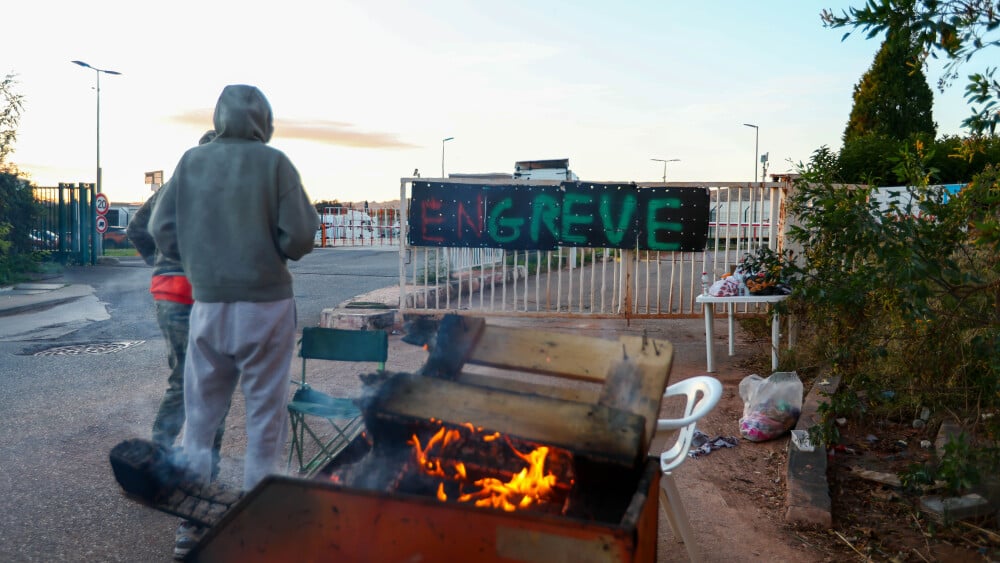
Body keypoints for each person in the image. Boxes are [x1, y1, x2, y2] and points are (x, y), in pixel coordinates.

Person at [149, 84, 319, 559]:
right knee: (265, 416)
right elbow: (301, 236)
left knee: (201, 417)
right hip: (266, 307)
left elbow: (162, 229)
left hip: (207, 305)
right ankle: (258, 526)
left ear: (219, 118)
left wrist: (199, 259)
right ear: (263, 120)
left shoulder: (191, 162)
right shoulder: (275, 163)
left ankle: (191, 522)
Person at [126, 130, 230, 481]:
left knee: (183, 379)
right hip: (208, 298)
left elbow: (136, 229)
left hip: (170, 294)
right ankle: (204, 471)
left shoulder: (170, 187)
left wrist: (161, 263)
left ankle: (160, 461)